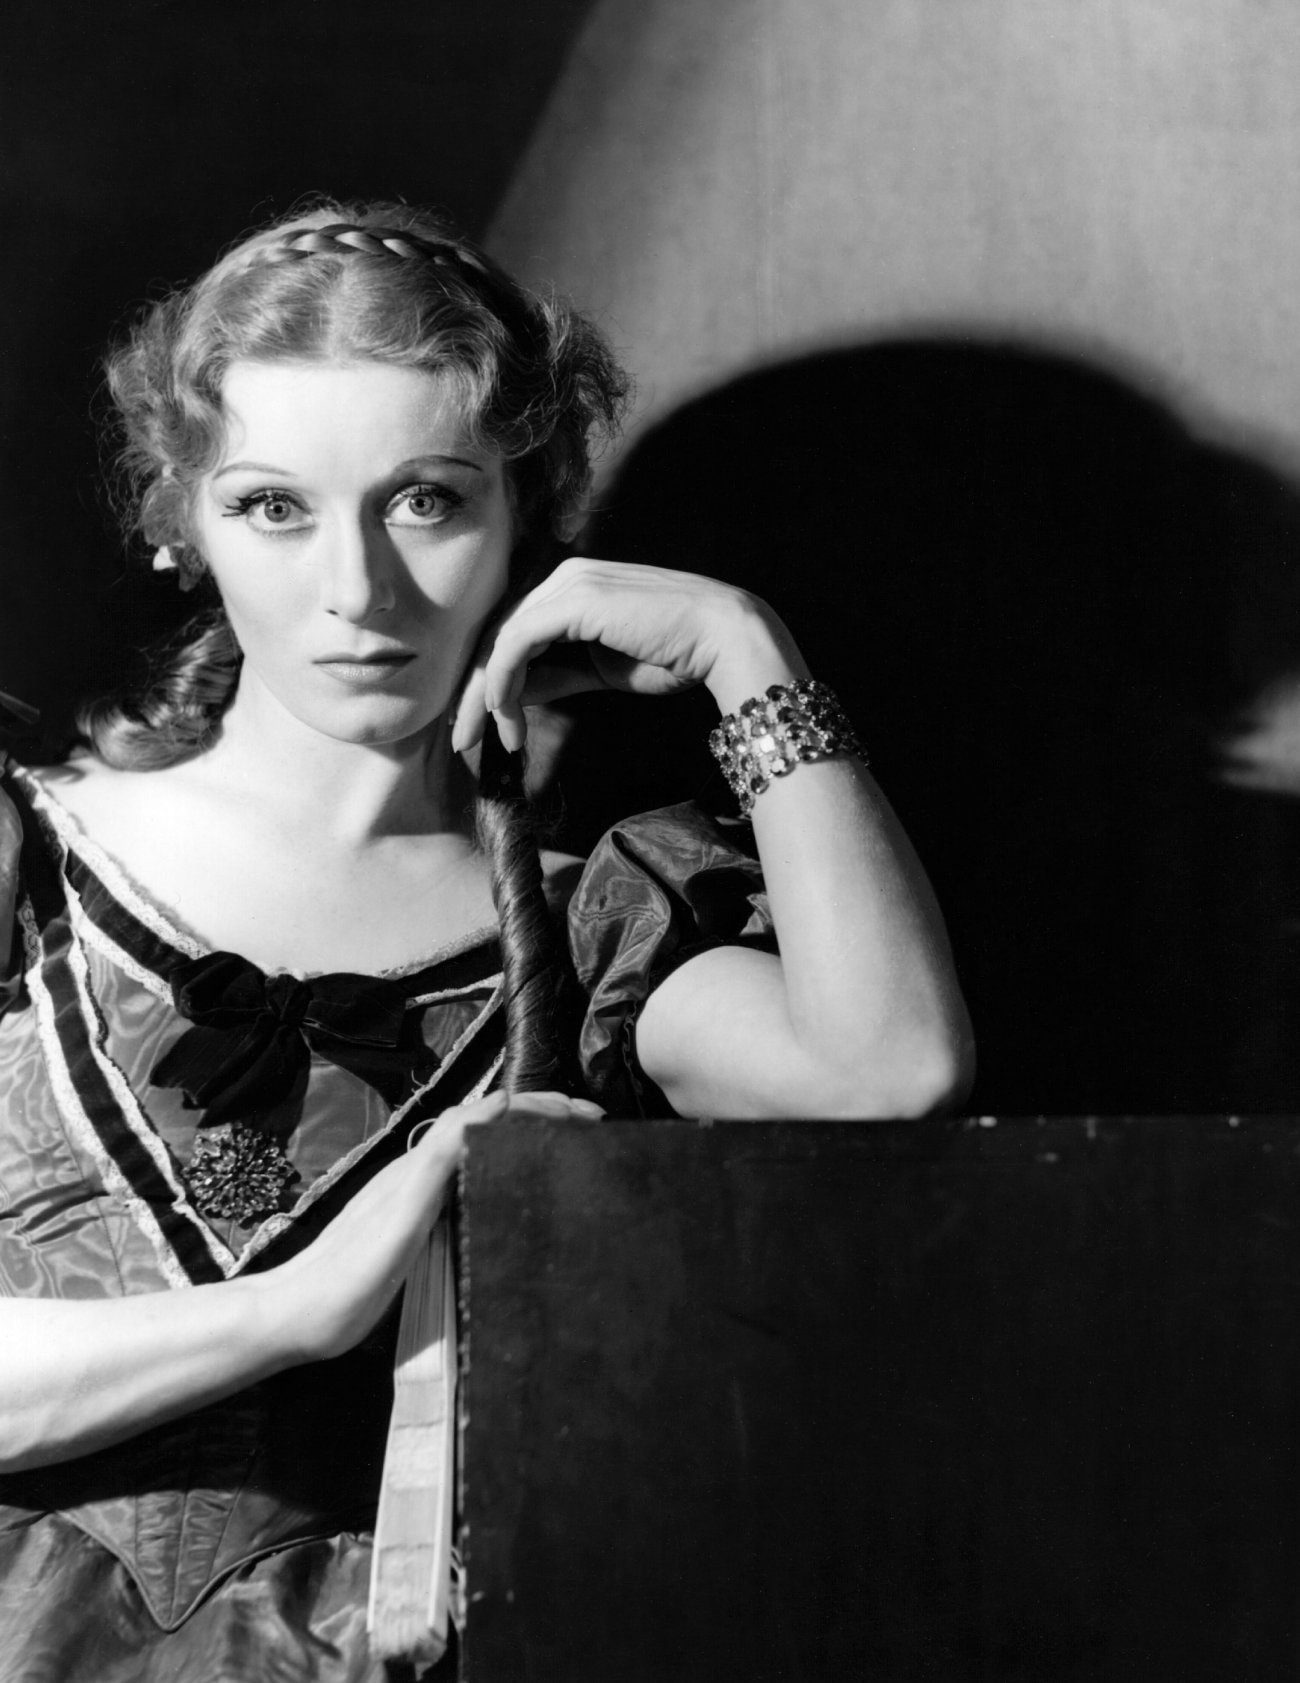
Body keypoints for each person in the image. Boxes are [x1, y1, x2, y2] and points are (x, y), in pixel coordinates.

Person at [0, 202, 973, 1680]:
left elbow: (889, 1071)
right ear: (176, 521)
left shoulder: (582, 924)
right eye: (273, 507)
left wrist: (744, 651)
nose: (357, 591)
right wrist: (301, 1309)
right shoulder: (30, 849)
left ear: (528, 515)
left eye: (425, 501)